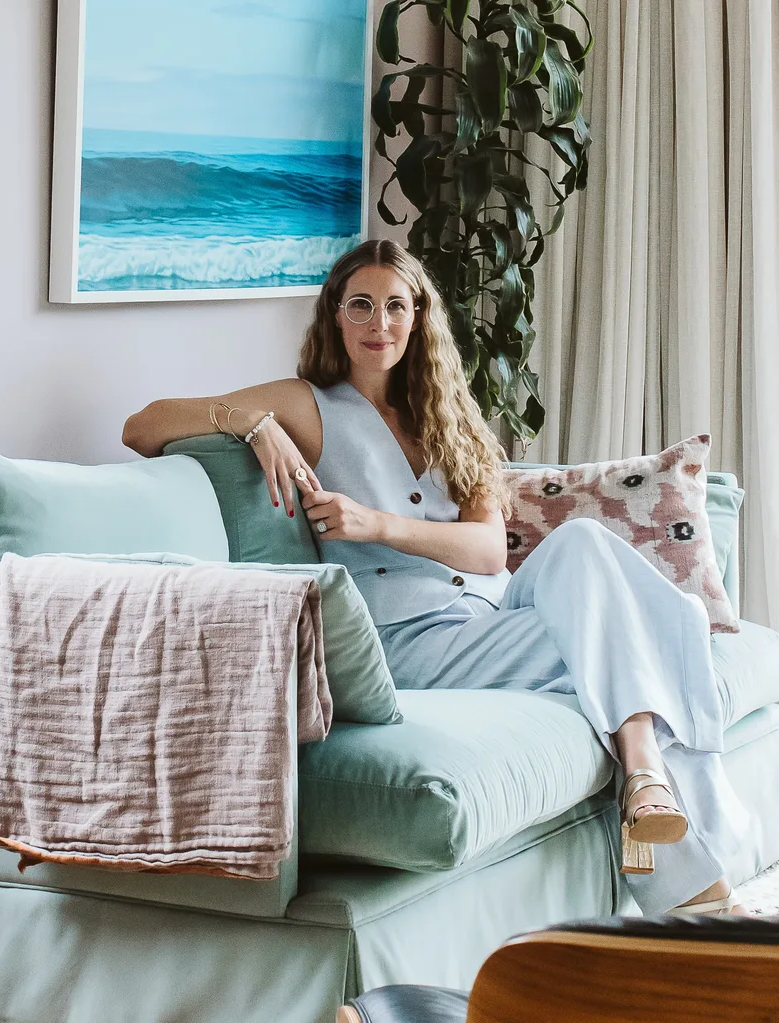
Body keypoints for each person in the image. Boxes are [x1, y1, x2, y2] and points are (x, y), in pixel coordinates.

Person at [123, 238, 749, 917]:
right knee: (641, 641)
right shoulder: (310, 405)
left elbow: (486, 550)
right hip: (407, 641)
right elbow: (143, 425)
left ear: (418, 317)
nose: (378, 323)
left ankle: (652, 793)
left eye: (396, 306)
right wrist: (250, 422)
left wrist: (376, 524)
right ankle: (693, 877)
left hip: (488, 615)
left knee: (584, 546)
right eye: (360, 304)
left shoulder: (447, 418)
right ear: (336, 314)